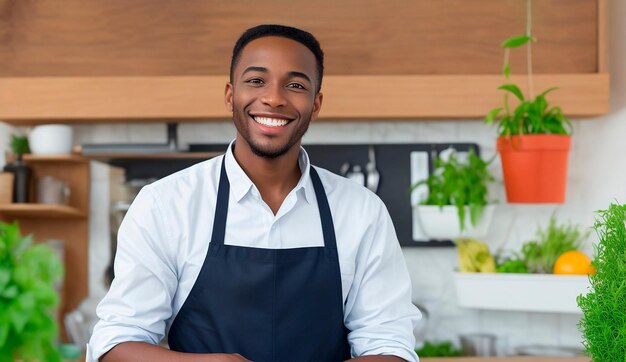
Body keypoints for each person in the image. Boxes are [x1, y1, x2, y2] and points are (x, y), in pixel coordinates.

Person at [88, 24, 421, 362]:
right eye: (256, 81)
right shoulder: (165, 204)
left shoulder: (361, 211)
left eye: (295, 85)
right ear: (230, 95)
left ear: (315, 104)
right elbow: (115, 343)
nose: (274, 98)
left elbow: (390, 345)